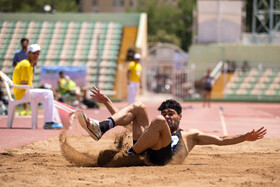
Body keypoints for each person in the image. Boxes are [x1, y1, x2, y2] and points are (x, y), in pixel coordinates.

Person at [76, 86, 267, 166]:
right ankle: (101, 128)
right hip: (145, 150)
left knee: (156, 122)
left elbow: (220, 140)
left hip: (163, 158)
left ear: (180, 117)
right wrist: (107, 101)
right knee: (139, 107)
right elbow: (126, 120)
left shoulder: (190, 135)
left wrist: (244, 137)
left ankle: (129, 155)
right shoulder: (154, 129)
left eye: (171, 114)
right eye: (164, 113)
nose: (167, 117)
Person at [13, 44, 62, 129]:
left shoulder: (29, 65)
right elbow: (24, 84)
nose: (36, 56)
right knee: (48, 93)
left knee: (49, 96)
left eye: (38, 53)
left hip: (23, 92)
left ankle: (54, 121)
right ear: (28, 54)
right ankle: (48, 122)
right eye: (34, 53)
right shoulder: (26, 65)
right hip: (22, 94)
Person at [13, 38, 30, 115]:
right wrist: (20, 68)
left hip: (29, 74)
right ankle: (25, 109)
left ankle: (27, 108)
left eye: (26, 43)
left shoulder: (30, 53)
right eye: (23, 43)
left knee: (28, 91)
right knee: (22, 91)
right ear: (21, 44)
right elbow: (14, 63)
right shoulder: (17, 53)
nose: (24, 44)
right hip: (20, 76)